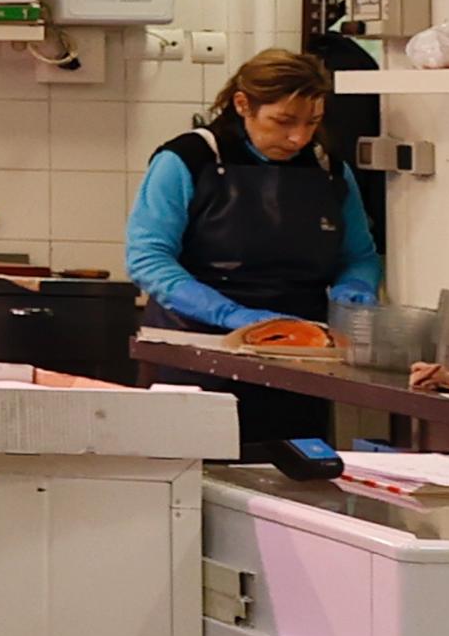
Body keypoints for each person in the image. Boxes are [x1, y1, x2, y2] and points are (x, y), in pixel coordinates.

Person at [131, 49, 380, 445]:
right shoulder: (187, 159)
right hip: (196, 348)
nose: (299, 137)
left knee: (290, 470)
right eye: (283, 121)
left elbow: (359, 255)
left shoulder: (328, 168)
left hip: (299, 359)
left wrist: (356, 289)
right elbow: (148, 258)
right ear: (243, 104)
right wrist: (230, 314)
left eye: (312, 122)